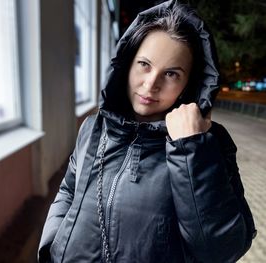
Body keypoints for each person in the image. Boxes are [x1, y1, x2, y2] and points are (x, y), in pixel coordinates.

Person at [38, 1, 256, 262]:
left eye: (172, 74)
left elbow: (223, 250)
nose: (151, 84)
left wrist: (191, 150)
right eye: (144, 64)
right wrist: (52, 245)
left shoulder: (208, 143)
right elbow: (68, 191)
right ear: (127, 63)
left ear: (189, 84)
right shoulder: (94, 127)